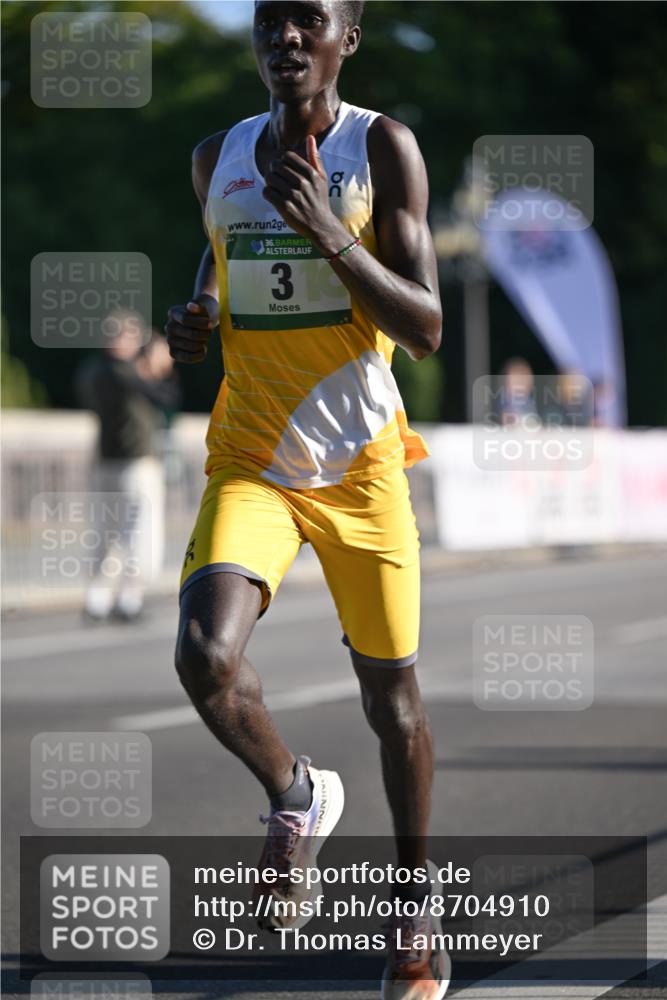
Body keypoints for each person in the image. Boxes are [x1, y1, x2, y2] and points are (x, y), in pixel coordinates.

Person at [166, 3, 448, 997]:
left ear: (345, 40)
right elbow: (220, 250)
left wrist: (330, 234)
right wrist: (199, 312)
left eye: (308, 22)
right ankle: (296, 792)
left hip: (361, 468)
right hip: (254, 457)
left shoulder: (383, 149)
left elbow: (425, 328)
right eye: (269, 22)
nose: (285, 38)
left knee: (392, 702)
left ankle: (414, 909)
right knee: (204, 655)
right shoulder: (217, 156)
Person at [76, 312, 180, 621]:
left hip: (117, 462)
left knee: (117, 533)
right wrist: (157, 370)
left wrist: (155, 370)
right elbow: (163, 397)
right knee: (134, 534)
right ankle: (119, 599)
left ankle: (109, 598)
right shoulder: (119, 372)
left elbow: (167, 400)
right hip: (132, 463)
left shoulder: (96, 370)